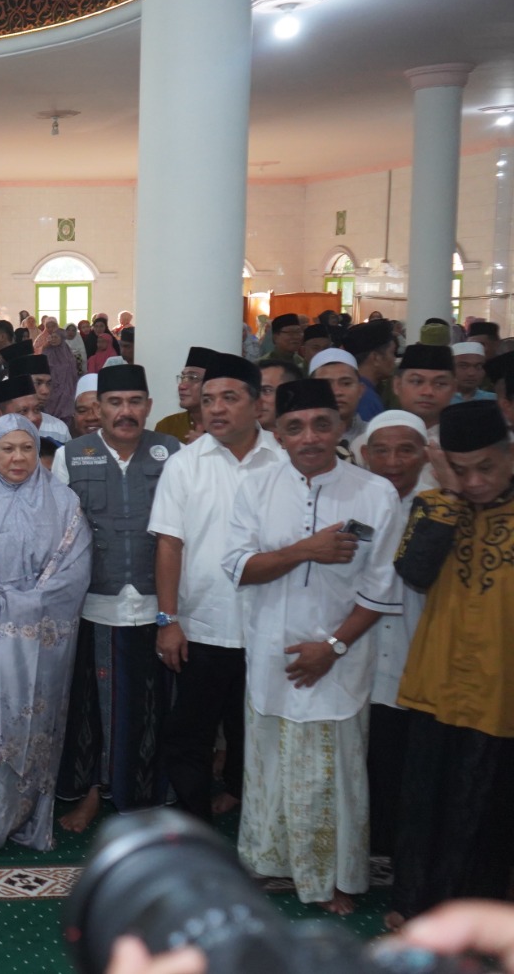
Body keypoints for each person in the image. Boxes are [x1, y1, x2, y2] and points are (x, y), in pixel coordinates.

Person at [223, 377, 400, 914]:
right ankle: (268, 858)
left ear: (341, 427)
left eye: (322, 424)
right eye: (295, 427)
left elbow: (380, 590)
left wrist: (333, 648)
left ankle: (336, 878)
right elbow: (240, 568)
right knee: (268, 762)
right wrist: (307, 549)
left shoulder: (374, 493)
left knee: (334, 773)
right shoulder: (255, 487)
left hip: (339, 660)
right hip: (271, 654)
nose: (310, 437)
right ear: (277, 433)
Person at [387, 399, 514, 927]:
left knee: (483, 810)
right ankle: (412, 906)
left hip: (501, 687)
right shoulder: (435, 506)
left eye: (487, 467)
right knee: (424, 801)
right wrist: (452, 493)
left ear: (510, 456)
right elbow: (414, 571)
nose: (476, 481)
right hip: (437, 678)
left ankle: (476, 920)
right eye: (461, 469)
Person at [0, 414, 91, 852]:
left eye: (27, 448)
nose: (18, 457)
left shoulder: (63, 501)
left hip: (44, 639)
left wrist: (28, 604)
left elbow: (76, 566)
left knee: (37, 723)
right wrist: (5, 604)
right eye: (7, 448)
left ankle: (28, 818)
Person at [148, 354, 284, 823]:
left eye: (229, 397)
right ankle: (194, 822)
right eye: (208, 400)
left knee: (256, 732)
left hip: (270, 626)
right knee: (191, 734)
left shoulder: (284, 460)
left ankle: (254, 818)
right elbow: (169, 544)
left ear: (257, 402)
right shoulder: (185, 465)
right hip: (202, 626)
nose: (216, 409)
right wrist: (168, 620)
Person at [52, 364, 180, 832]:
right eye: (115, 402)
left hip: (155, 605)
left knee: (151, 707)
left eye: (135, 402)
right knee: (93, 707)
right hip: (93, 605)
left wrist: (171, 615)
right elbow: (59, 535)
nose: (125, 411)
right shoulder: (71, 456)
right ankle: (91, 792)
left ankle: (143, 797)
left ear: (149, 406)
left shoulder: (173, 453)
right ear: (99, 409)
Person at [356, 410, 430, 860]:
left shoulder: (438, 509)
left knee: (404, 764)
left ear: (425, 454)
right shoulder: (353, 505)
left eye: (405, 450)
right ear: (365, 454)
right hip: (357, 656)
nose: (393, 461)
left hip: (413, 657)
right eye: (381, 451)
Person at [394, 343, 456, 438]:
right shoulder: (376, 437)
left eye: (440, 384)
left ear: (454, 389)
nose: (428, 392)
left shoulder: (467, 440)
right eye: (417, 381)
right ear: (397, 385)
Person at [154, 347, 210, 444]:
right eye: (183, 377)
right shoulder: (167, 426)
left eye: (192, 378)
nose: (182, 386)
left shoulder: (227, 428)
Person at [70, 374, 101, 438]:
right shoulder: (66, 445)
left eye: (99, 410)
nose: (90, 417)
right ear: (74, 417)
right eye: (82, 411)